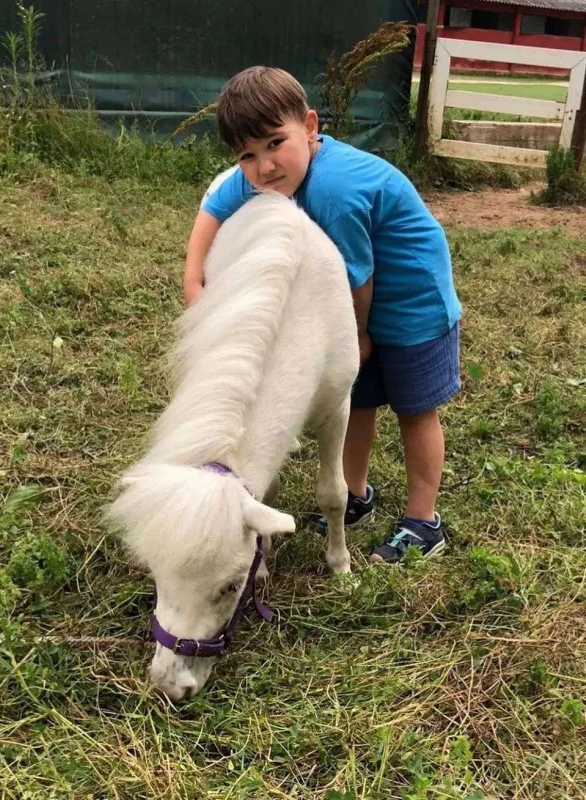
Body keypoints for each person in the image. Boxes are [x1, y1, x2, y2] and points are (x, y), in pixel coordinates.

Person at [183, 66, 461, 563]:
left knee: (416, 412)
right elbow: (216, 204)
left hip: (412, 304)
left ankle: (423, 521)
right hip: (362, 304)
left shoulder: (333, 188)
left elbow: (357, 279)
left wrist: (355, 338)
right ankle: (355, 495)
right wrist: (193, 277)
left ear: (310, 127)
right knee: (355, 400)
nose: (264, 166)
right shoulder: (274, 174)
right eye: (248, 155)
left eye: (274, 143)